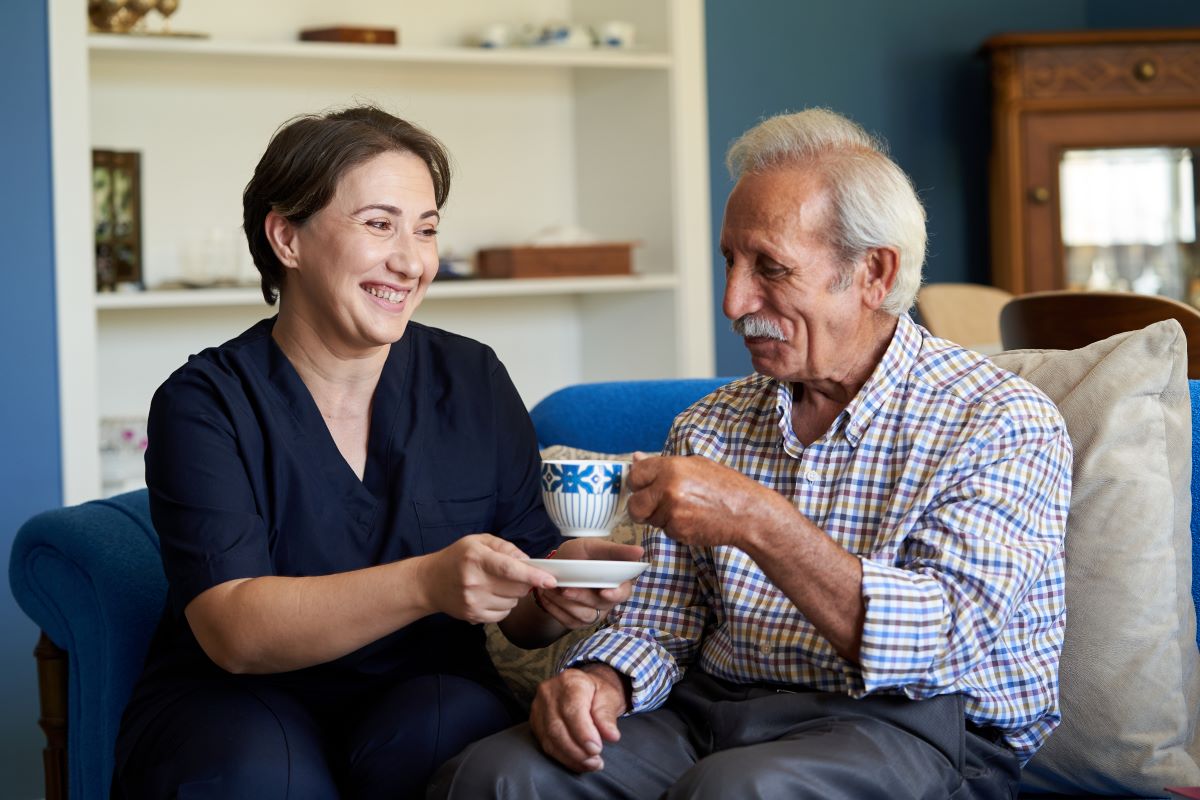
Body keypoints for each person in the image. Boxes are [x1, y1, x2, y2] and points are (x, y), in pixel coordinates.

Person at [429, 108, 1072, 800]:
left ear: (874, 274)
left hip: (914, 726)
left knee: (737, 792)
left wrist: (758, 520)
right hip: (713, 710)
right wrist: (600, 680)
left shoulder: (1000, 421)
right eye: (730, 262)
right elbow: (660, 623)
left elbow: (945, 641)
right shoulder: (710, 426)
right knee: (496, 777)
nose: (734, 301)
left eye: (771, 267)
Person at [110, 105, 643, 800]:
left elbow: (522, 611)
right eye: (379, 224)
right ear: (286, 238)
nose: (412, 261)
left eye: (426, 230)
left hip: (423, 690)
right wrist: (426, 582)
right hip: (237, 698)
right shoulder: (205, 402)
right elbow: (233, 631)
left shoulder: (472, 380)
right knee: (262, 770)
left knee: (459, 742)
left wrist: (559, 589)